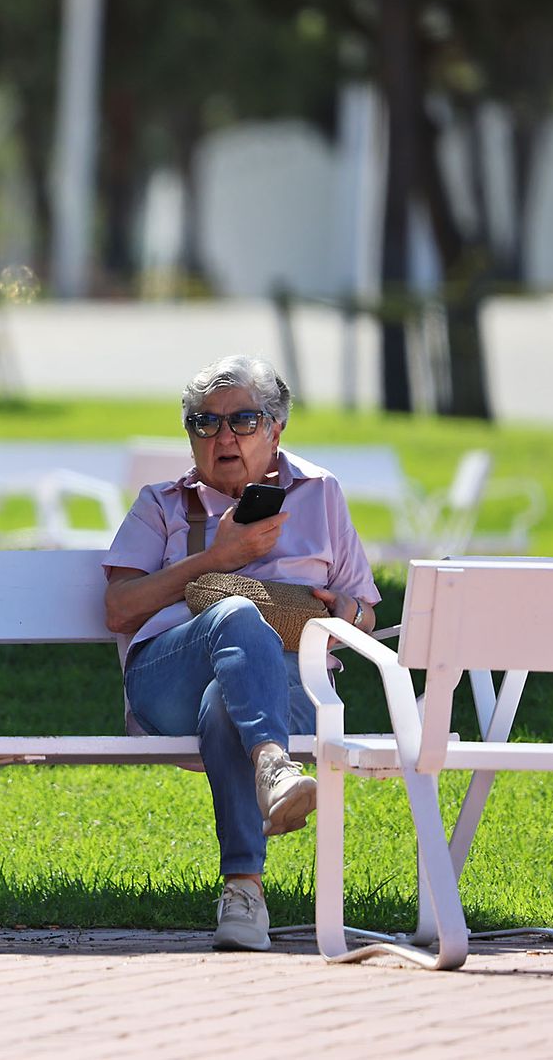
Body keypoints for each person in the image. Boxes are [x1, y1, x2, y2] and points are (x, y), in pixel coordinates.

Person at [102, 355, 379, 951]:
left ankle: (244, 893)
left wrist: (344, 614)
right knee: (235, 613)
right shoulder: (162, 503)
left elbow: (365, 610)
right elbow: (119, 609)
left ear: (276, 429)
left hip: (291, 694)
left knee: (228, 703)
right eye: (205, 423)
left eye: (243, 420)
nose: (223, 436)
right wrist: (213, 561)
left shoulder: (320, 494)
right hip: (167, 680)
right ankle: (276, 768)